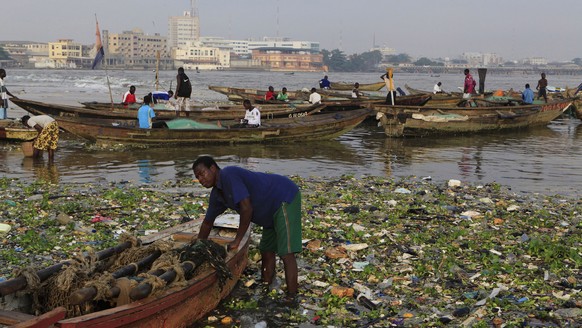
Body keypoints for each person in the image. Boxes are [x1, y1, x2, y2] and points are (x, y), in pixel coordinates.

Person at [192, 156, 302, 300]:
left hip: (283, 197)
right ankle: (266, 286)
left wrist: (237, 240)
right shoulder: (217, 195)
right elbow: (207, 223)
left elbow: (246, 208)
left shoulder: (228, 175)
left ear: (213, 168)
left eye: (202, 173)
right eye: (197, 177)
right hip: (268, 212)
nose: (200, 179)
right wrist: (198, 246)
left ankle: (292, 298)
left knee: (286, 252)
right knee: (266, 249)